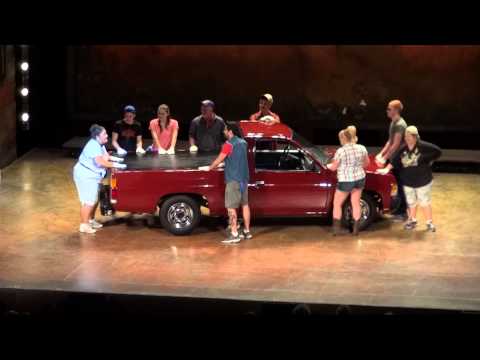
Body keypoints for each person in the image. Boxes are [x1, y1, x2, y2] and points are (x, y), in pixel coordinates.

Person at [376, 126, 441, 232]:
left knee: (424, 202)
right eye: (405, 135)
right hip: (408, 180)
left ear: (414, 136)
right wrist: (386, 169)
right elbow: (394, 160)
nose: (406, 138)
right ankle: (412, 221)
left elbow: (437, 151)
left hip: (423, 180)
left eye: (408, 136)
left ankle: (429, 223)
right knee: (411, 202)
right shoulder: (403, 148)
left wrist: (427, 159)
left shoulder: (423, 146)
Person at [198, 122, 251, 244]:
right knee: (245, 205)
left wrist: (210, 168)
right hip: (244, 180)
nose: (224, 132)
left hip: (233, 181)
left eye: (225, 130)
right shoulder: (243, 143)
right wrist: (225, 163)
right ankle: (247, 232)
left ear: (230, 131)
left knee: (231, 208)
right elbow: (236, 159)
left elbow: (219, 159)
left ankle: (234, 234)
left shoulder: (228, 144)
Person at [73, 124, 127, 234]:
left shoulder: (100, 144)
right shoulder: (93, 145)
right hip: (85, 175)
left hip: (94, 175)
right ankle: (84, 225)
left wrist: (117, 159)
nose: (107, 136)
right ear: (97, 136)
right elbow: (100, 161)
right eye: (104, 134)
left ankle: (90, 220)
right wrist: (115, 165)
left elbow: (106, 156)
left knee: (95, 199)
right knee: (89, 201)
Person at [327, 125, 370, 236]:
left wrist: (327, 165)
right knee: (355, 203)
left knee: (337, 204)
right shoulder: (362, 148)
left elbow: (333, 167)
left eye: (340, 139)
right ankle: (356, 230)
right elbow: (367, 164)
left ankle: (336, 230)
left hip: (346, 180)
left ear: (344, 139)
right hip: (359, 178)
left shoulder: (341, 151)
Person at [375, 99, 408, 220]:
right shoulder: (393, 122)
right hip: (396, 157)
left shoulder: (400, 124)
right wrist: (381, 154)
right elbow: (390, 141)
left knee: (402, 185)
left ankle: (403, 212)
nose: (387, 111)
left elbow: (396, 145)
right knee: (397, 185)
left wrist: (385, 158)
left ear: (395, 110)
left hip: (401, 159)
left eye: (389, 109)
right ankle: (399, 209)